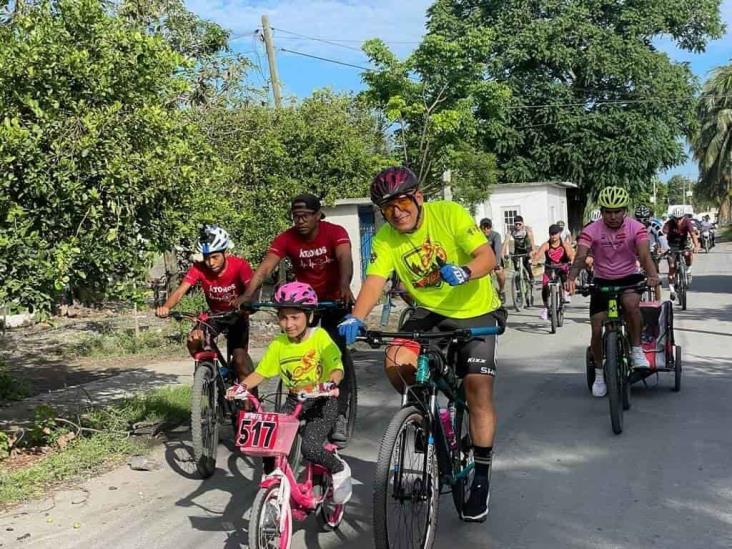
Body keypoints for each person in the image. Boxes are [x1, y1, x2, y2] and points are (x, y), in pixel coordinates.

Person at [338, 166, 505, 522]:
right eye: (388, 208)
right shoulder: (385, 238)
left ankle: (481, 477)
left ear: (418, 197)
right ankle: (421, 416)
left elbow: (486, 256)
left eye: (402, 202)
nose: (397, 213)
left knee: (477, 390)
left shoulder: (449, 213)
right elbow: (375, 280)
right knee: (396, 360)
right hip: (428, 311)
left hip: (475, 311)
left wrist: (466, 271)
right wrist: (356, 316)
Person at [237, 193, 354, 445]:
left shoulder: (335, 232)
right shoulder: (286, 238)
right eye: (295, 216)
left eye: (305, 216)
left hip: (334, 299)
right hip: (304, 302)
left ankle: (340, 412)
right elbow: (266, 267)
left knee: (335, 352)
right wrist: (248, 294)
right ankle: (300, 401)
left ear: (317, 215)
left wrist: (345, 286)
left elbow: (345, 258)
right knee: (297, 346)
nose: (299, 221)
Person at [226, 282, 352, 504]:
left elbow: (335, 365)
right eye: (283, 317)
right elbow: (261, 373)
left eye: (295, 317)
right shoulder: (279, 344)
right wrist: (242, 387)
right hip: (296, 399)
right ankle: (273, 481)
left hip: (323, 400)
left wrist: (332, 382)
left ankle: (339, 467)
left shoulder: (320, 337)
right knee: (270, 441)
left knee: (310, 448)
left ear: (309, 315)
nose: (289, 324)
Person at [565, 187, 660, 398]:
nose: (613, 216)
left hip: (628, 277)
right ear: (602, 211)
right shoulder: (592, 229)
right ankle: (599, 374)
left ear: (625, 210)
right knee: (597, 328)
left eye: (617, 211)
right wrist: (571, 278)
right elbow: (580, 257)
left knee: (631, 306)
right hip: (602, 280)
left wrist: (653, 276)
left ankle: (636, 350)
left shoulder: (636, 228)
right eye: (608, 211)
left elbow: (644, 256)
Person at [156, 224, 254, 382]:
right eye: (206, 257)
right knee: (193, 340)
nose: (210, 262)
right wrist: (166, 307)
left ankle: (250, 404)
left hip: (237, 315)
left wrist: (247, 302)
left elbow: (253, 289)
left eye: (215, 257)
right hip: (215, 315)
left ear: (225, 253)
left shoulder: (240, 265)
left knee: (240, 361)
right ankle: (209, 376)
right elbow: (181, 290)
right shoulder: (199, 268)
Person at [532, 224, 575, 320]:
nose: (553, 236)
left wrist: (571, 260)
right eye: (551, 234)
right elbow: (538, 255)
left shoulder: (564, 244)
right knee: (545, 286)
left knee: (564, 277)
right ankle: (546, 308)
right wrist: (535, 261)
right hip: (549, 267)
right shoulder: (546, 245)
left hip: (562, 267)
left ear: (559, 234)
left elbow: (570, 254)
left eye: (555, 234)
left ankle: (565, 293)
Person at [663, 207, 700, 300]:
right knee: (672, 267)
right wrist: (663, 248)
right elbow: (663, 236)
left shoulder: (687, 222)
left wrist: (696, 246)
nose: (678, 221)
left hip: (684, 243)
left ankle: (688, 270)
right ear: (673, 218)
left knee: (688, 254)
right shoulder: (669, 223)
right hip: (672, 245)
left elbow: (692, 234)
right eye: (676, 218)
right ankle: (672, 290)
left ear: (683, 217)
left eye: (680, 218)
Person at [634, 205, 668, 301]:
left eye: (644, 220)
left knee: (655, 277)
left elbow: (661, 237)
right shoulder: (631, 227)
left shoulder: (654, 226)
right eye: (639, 220)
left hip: (651, 252)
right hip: (636, 253)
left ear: (649, 218)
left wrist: (666, 249)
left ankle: (658, 302)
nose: (642, 223)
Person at [502, 215, 536, 284]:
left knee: (525, 262)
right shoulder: (511, 230)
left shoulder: (527, 229)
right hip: (518, 248)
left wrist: (533, 250)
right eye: (516, 224)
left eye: (519, 224)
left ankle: (531, 276)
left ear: (523, 223)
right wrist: (503, 252)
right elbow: (506, 241)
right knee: (515, 261)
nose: (518, 226)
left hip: (527, 248)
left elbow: (532, 240)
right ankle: (518, 277)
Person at [480, 218, 507, 302]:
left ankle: (501, 290)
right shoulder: (478, 236)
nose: (486, 230)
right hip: (484, 259)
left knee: (499, 272)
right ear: (480, 228)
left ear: (491, 228)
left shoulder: (496, 235)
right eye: (484, 228)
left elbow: (497, 250)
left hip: (495, 258)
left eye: (488, 228)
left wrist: (496, 264)